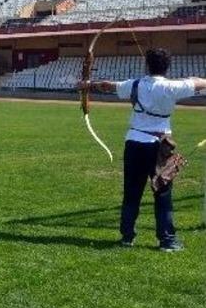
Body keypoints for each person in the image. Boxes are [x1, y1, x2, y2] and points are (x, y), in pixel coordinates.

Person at [82, 49, 206, 252]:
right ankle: (166, 240)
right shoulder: (173, 87)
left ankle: (127, 237)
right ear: (167, 67)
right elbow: (202, 83)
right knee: (163, 192)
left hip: (135, 142)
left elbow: (107, 85)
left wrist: (88, 85)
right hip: (160, 146)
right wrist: (191, 79)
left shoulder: (135, 84)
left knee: (132, 192)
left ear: (147, 65)